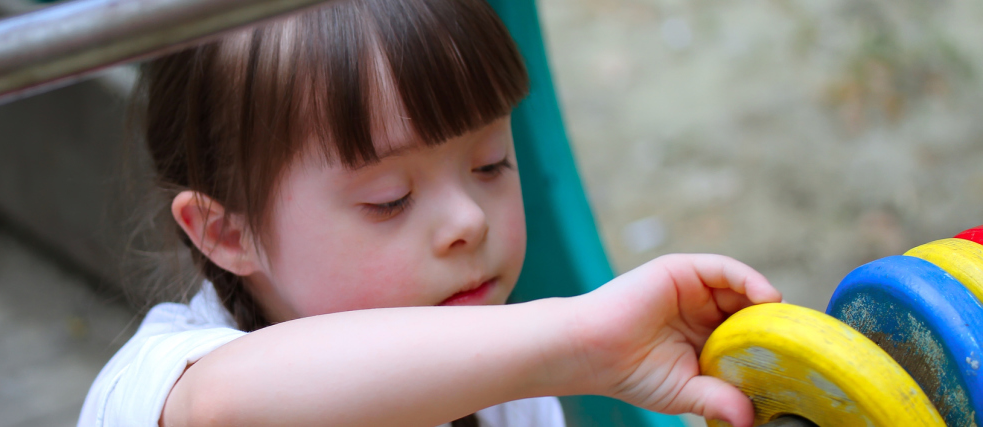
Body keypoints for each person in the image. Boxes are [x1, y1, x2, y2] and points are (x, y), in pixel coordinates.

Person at [78, 0, 781, 426]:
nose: (467, 221)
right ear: (227, 232)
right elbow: (223, 409)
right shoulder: (162, 378)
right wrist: (577, 341)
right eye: (390, 200)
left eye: (490, 165)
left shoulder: (504, 393)